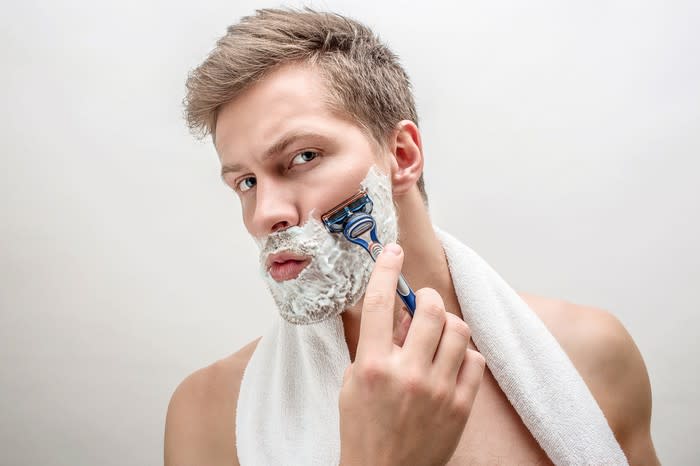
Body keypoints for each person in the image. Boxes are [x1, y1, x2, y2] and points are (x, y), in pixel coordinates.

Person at [164, 8, 659, 465]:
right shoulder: (208, 416)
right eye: (245, 183)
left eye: (302, 157)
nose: (264, 214)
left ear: (401, 156)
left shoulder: (591, 355)